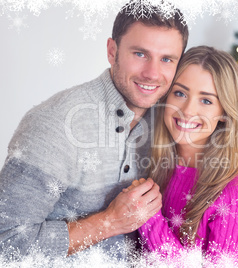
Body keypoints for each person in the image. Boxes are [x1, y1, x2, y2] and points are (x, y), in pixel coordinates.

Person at [0, 3, 188, 259]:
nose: (152, 73)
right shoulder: (54, 123)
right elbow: (6, 242)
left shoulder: (172, 121)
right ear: (112, 51)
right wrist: (109, 222)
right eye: (140, 54)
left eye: (167, 59)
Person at [127, 46, 238, 265]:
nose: (187, 110)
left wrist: (149, 218)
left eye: (206, 100)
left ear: (225, 114)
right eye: (180, 93)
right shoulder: (150, 160)